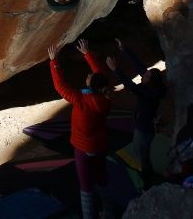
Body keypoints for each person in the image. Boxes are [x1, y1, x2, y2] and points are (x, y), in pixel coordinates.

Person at [48, 39, 114, 219]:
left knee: (85, 185)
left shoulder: (82, 101)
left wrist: (54, 61)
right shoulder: (105, 98)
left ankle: (88, 216)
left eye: (89, 77)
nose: (88, 75)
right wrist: (87, 53)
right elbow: (100, 75)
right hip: (99, 146)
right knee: (101, 178)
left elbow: (60, 86)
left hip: (83, 148)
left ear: (90, 86)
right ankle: (109, 212)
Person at [106, 38, 166, 187]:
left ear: (150, 81)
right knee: (142, 155)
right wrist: (124, 49)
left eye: (146, 76)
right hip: (144, 127)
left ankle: (148, 183)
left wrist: (115, 70)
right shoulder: (153, 87)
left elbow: (130, 85)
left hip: (143, 130)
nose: (143, 76)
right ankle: (149, 177)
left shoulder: (148, 94)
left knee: (143, 157)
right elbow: (140, 67)